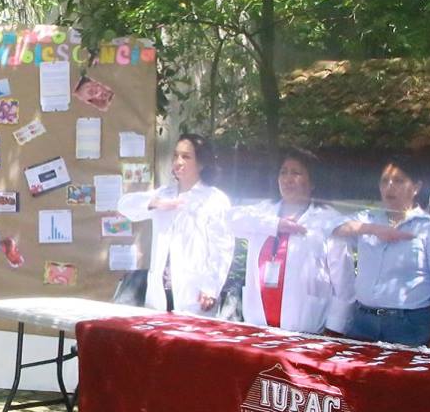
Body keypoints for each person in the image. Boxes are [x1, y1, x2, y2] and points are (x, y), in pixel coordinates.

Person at [227, 147, 353, 334]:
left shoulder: (328, 220)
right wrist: (275, 224)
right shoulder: (263, 212)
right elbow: (227, 220)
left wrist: (335, 328)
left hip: (307, 330)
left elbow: (344, 283)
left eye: (296, 173)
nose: (288, 179)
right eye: (283, 172)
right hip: (258, 327)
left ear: (313, 182)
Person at [335, 155, 430, 348]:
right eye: (384, 181)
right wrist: (373, 229)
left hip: (409, 324)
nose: (390, 186)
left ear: (416, 187)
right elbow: (332, 226)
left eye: (398, 180)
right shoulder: (368, 218)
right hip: (363, 321)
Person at [115, 133, 236, 317]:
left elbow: (222, 248)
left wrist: (210, 288)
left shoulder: (214, 199)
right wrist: (155, 204)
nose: (178, 161)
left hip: (193, 296)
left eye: (186, 157)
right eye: (176, 155)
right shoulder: (165, 193)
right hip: (158, 295)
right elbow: (124, 206)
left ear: (202, 163)